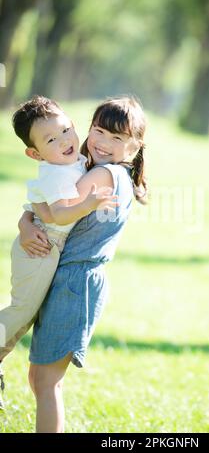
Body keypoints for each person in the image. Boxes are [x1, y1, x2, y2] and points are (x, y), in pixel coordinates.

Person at [16, 96, 147, 432]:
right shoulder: (95, 170)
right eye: (99, 131)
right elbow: (50, 205)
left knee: (47, 382)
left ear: (133, 148)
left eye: (117, 139)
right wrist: (27, 221)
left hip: (75, 283)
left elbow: (54, 210)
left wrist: (29, 220)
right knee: (40, 379)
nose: (103, 143)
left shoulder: (102, 177)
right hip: (70, 279)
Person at [0, 96, 117, 411]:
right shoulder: (54, 172)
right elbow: (58, 215)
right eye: (52, 139)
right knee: (23, 309)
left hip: (43, 243)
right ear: (35, 153)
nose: (64, 141)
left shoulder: (73, 162)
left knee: (27, 314)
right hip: (40, 246)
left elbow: (34, 207)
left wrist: (25, 221)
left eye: (66, 130)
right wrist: (88, 205)